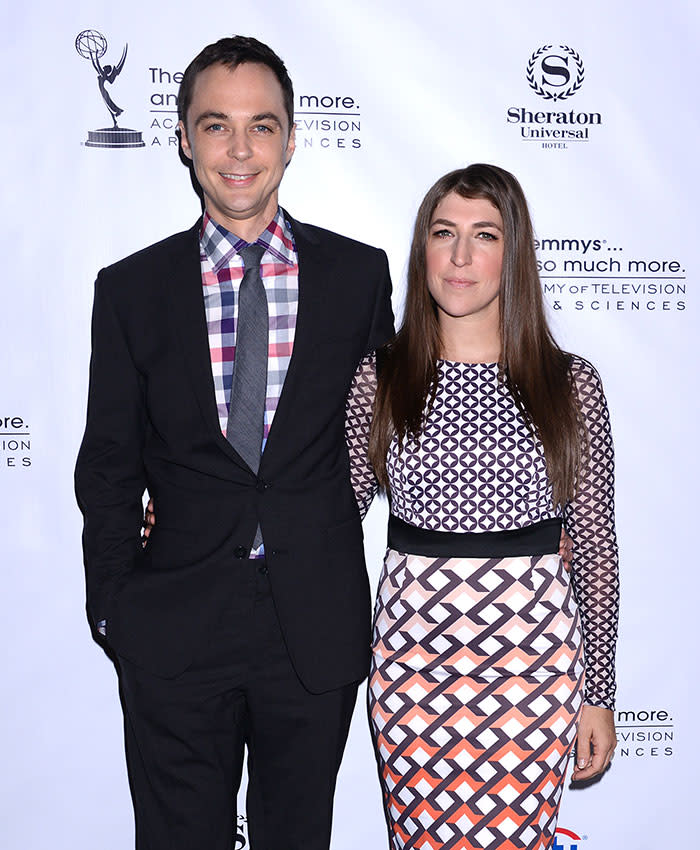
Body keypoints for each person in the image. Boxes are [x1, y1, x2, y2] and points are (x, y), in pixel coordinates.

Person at [74, 35, 394, 850]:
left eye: (262, 125)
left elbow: (386, 439)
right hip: (171, 624)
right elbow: (108, 464)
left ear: (292, 137)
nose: (240, 150)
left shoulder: (359, 277)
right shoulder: (131, 289)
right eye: (216, 126)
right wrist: (114, 603)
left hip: (311, 626)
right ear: (184, 137)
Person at [347, 164, 619, 850]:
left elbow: (592, 546)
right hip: (413, 664)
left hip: (533, 666)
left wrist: (601, 693)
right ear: (424, 252)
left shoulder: (569, 384)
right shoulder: (379, 377)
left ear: (514, 253)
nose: (461, 257)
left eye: (484, 235)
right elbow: (325, 515)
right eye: (444, 234)